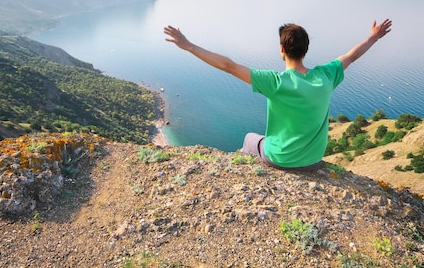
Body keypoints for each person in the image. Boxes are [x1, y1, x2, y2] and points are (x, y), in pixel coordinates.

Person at [163, 19, 392, 171]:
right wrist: (374, 37)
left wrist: (189, 46)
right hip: (313, 162)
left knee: (249, 139)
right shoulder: (326, 76)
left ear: (282, 49)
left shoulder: (275, 82)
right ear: (306, 49)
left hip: (280, 159)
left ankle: (240, 170)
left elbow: (228, 66)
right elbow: (351, 56)